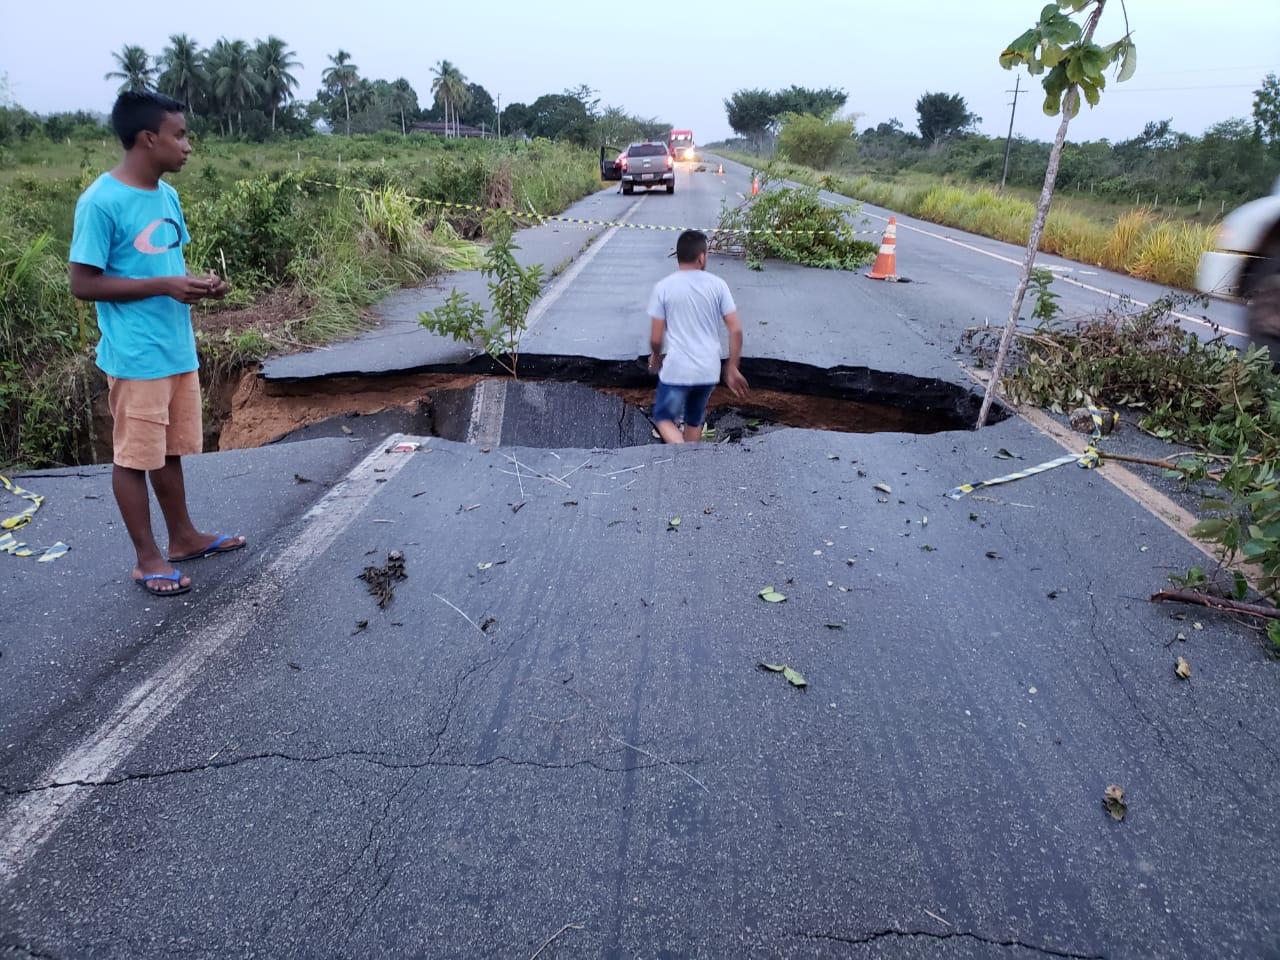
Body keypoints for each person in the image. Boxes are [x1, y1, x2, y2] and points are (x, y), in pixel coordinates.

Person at [69, 91, 243, 597]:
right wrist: (166, 286)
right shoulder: (101, 201)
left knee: (169, 451)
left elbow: (166, 268)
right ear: (149, 138)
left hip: (174, 347)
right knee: (133, 457)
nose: (187, 145)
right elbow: (83, 284)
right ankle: (147, 559)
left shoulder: (166, 197)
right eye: (180, 135)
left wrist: (198, 284)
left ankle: (184, 537)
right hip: (136, 354)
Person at [647, 230, 748, 443]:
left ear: (678, 256)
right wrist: (732, 367)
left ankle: (683, 455)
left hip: (677, 370)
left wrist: (655, 359)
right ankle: (692, 465)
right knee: (694, 421)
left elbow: (656, 339)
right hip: (708, 371)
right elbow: (736, 330)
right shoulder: (718, 285)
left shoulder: (663, 288)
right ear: (702, 257)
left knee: (663, 418)